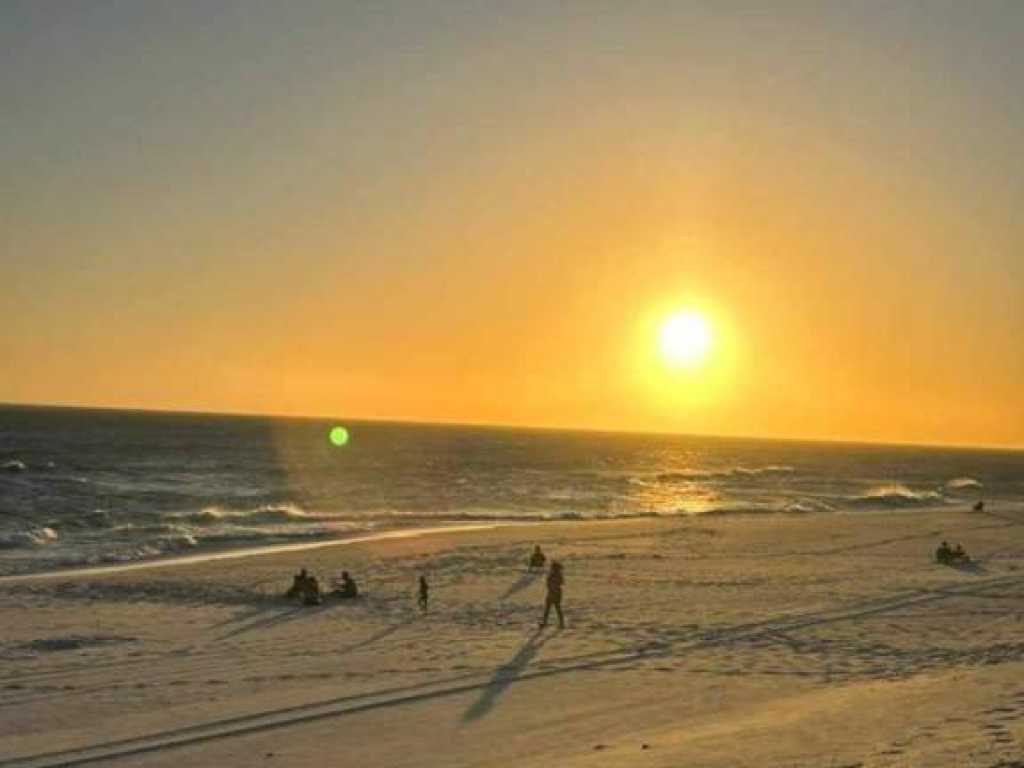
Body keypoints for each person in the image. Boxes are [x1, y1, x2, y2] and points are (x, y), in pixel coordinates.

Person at [540, 561, 565, 629]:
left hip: (554, 593)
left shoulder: (556, 575)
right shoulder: (555, 575)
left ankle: (561, 623)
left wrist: (552, 587)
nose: (551, 568)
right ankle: (546, 622)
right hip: (552, 593)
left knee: (556, 609)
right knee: (549, 609)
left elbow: (555, 583)